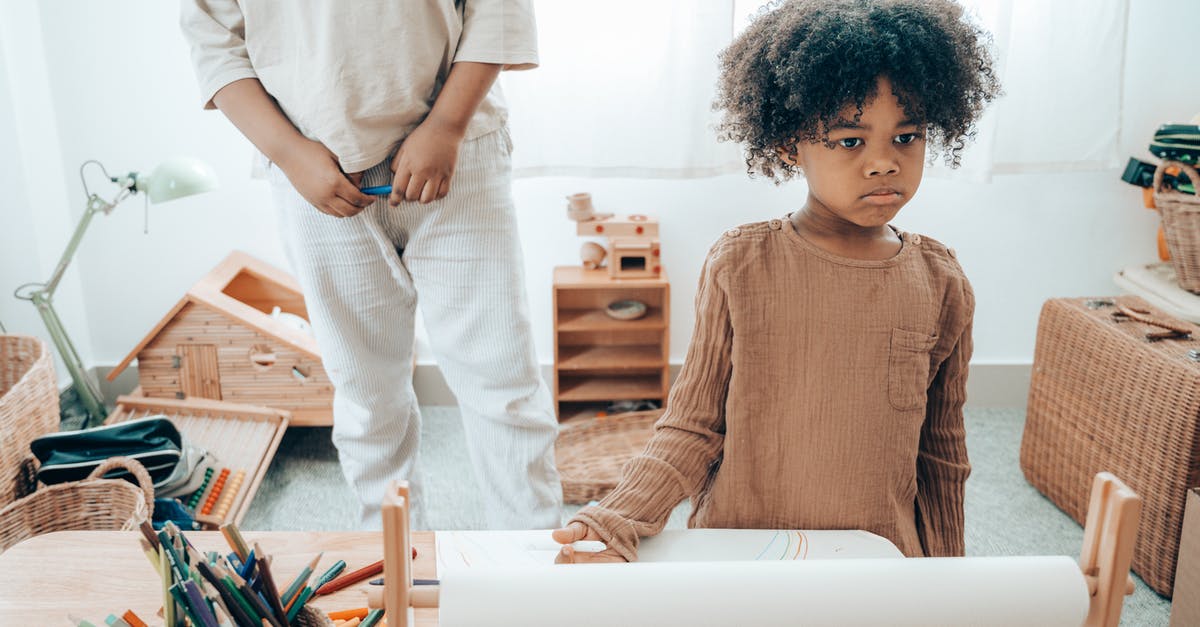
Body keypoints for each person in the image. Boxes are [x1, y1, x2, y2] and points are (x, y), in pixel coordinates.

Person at [554, 0, 1001, 563]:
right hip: (741, 555)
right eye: (849, 141)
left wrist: (947, 576)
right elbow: (692, 425)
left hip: (877, 561)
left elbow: (941, 453)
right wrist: (619, 515)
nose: (884, 163)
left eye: (906, 137)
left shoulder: (941, 282)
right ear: (790, 144)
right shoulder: (741, 264)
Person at [180, 1, 563, 530]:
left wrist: (447, 126)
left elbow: (496, 8)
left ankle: (535, 565)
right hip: (316, 169)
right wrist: (289, 154)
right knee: (366, 397)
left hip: (459, 148)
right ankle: (391, 562)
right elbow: (214, 37)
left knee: (502, 382)